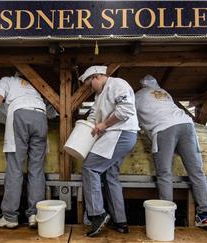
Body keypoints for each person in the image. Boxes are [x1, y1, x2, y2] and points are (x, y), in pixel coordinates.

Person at [135, 75, 207, 227]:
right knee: (197, 172)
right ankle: (205, 215)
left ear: (142, 87)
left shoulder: (137, 96)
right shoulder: (164, 92)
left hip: (163, 129)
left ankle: (167, 217)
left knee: (164, 174)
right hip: (186, 125)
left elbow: (138, 122)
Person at [78, 66, 140, 237]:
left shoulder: (117, 84)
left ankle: (97, 214)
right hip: (117, 136)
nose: (90, 88)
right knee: (110, 174)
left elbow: (126, 110)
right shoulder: (99, 95)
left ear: (97, 76)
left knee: (90, 168)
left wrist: (104, 125)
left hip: (120, 134)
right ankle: (120, 221)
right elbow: (93, 117)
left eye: (90, 84)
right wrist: (83, 131)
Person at [0, 72, 48, 229]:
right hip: (41, 115)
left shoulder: (7, 80)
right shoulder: (35, 84)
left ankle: (10, 217)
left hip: (20, 113)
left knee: (15, 167)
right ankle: (35, 214)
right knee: (36, 168)